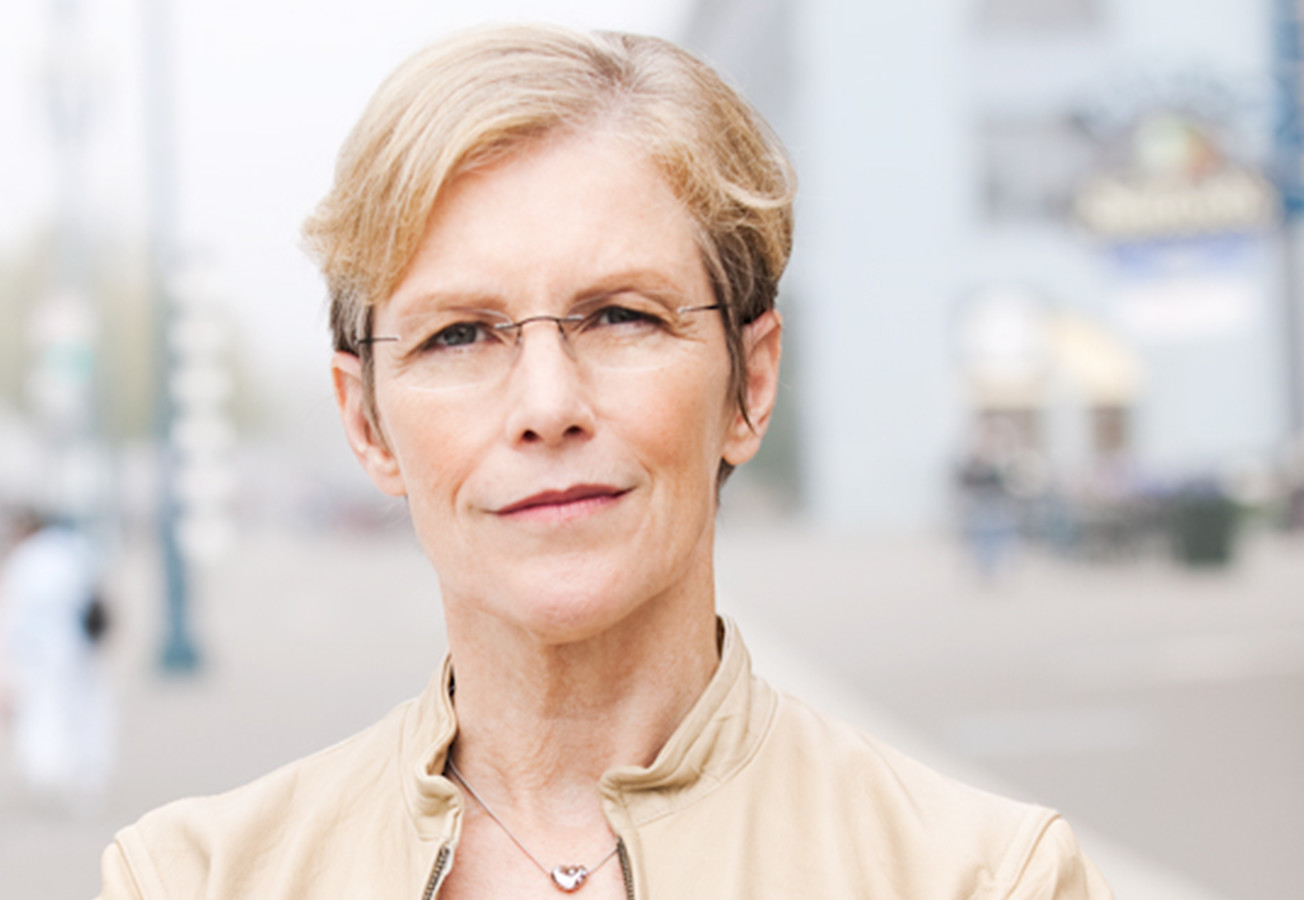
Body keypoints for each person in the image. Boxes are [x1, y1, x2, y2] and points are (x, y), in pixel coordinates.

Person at [99, 25, 1113, 898]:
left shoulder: (976, 878)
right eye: (460, 334)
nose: (548, 407)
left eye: (622, 316)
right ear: (365, 422)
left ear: (750, 384)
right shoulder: (195, 880)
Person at [0, 510, 114, 812]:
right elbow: (97, 594)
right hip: (80, 650)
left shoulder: (23, 561)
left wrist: (5, 673)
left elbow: (11, 619)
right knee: (85, 715)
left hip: (38, 654)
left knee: (45, 716)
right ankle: (86, 779)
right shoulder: (74, 549)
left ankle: (52, 776)